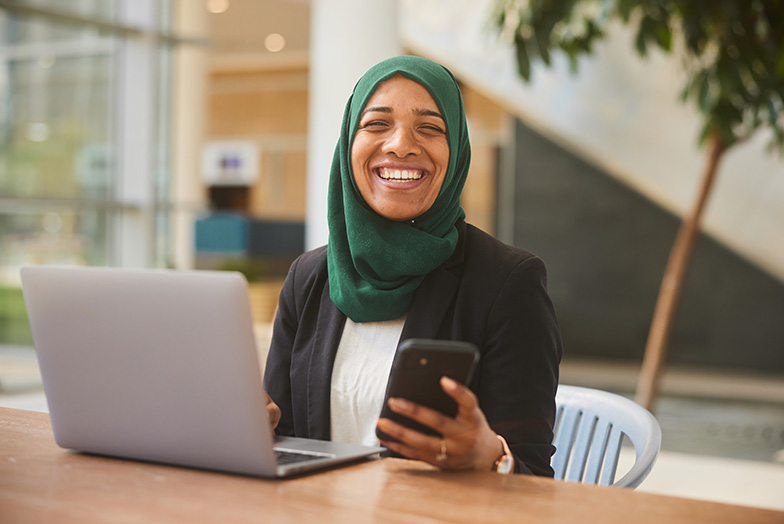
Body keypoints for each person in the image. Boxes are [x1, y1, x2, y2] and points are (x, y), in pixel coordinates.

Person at [263, 55, 561, 476]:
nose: (401, 144)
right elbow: (285, 439)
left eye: (430, 128)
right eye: (376, 124)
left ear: (456, 149)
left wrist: (492, 457)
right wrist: (252, 429)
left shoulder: (508, 283)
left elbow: (532, 472)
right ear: (349, 141)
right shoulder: (309, 278)